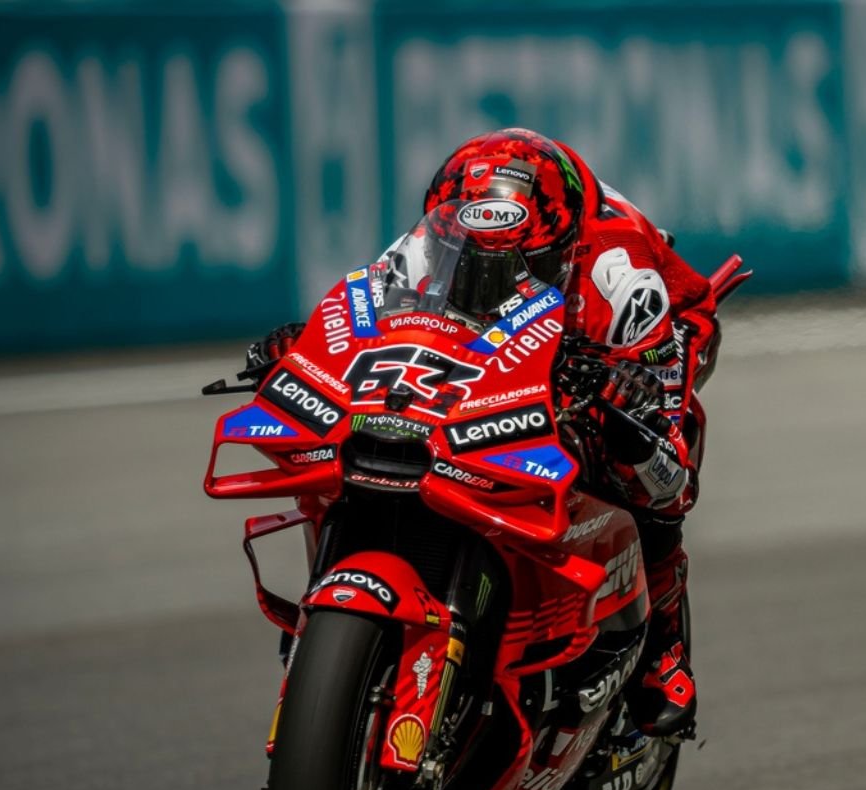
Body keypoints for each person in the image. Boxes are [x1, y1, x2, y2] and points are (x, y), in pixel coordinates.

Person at [240, 128, 714, 737]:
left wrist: (629, 391)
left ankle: (664, 651)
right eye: (474, 260)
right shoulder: (423, 245)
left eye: (524, 267)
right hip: (503, 341)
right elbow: (361, 323)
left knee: (651, 475)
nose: (494, 281)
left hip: (647, 336)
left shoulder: (620, 278)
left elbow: (671, 469)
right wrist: (302, 348)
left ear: (564, 252)